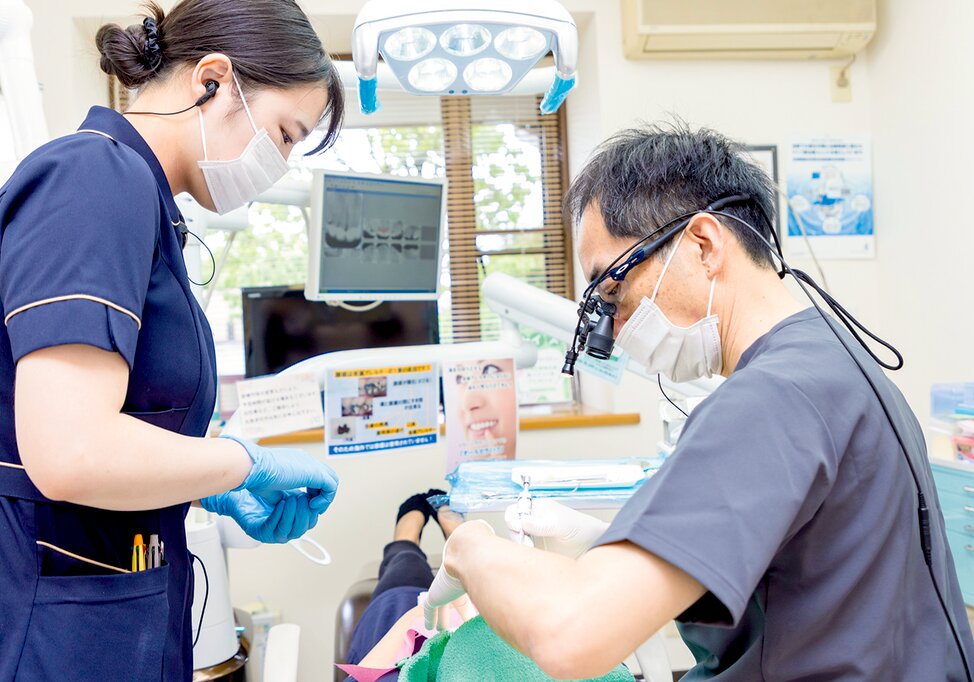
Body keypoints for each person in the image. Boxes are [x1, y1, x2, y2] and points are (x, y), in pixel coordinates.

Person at [423, 123, 974, 680]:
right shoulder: (836, 357)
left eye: (613, 289)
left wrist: (469, 547)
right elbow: (812, 579)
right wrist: (614, 546)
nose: (612, 326)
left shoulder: (770, 398)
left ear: (704, 246)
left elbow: (571, 634)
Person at [0, 1, 344, 678]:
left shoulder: (143, 203)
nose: (279, 161)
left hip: (106, 607)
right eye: (282, 133)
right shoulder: (92, 179)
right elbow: (68, 451)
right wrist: (239, 463)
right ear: (211, 80)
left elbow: (109, 429)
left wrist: (198, 484)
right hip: (50, 623)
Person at [338, 492, 633, 682]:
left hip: (411, 633)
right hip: (507, 623)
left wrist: (415, 615)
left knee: (404, 566)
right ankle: (451, 533)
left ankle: (407, 538)